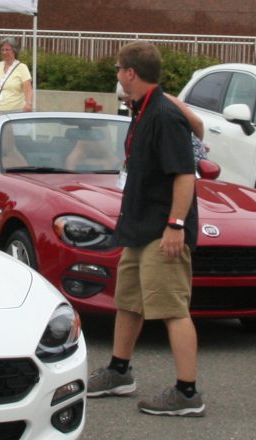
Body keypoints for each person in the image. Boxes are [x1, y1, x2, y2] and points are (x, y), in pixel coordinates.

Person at [87, 40, 204, 417]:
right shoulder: (146, 107)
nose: (118, 75)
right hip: (138, 227)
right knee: (128, 303)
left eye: (119, 69)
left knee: (172, 308)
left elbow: (185, 176)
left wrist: (175, 226)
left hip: (161, 230)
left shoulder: (164, 116)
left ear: (131, 73)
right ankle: (119, 372)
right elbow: (199, 126)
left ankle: (188, 393)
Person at [0, 37, 33, 115]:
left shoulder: (22, 67)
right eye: (2, 50)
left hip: (16, 111)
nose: (4, 52)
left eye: (7, 50)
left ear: (14, 51)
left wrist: (28, 103)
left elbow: (28, 89)